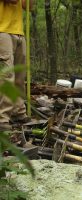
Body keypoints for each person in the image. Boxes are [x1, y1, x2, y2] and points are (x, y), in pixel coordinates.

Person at [0, 0, 33, 131]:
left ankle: (18, 112)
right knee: (7, 76)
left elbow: (28, 6)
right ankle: (2, 118)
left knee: (20, 76)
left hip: (18, 31)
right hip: (2, 30)